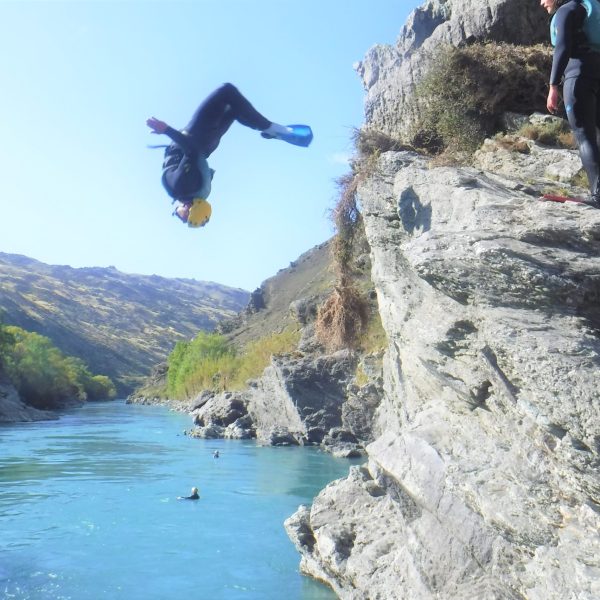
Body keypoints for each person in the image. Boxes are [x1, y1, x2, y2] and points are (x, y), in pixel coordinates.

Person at [146, 83, 308, 226]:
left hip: (209, 144)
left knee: (233, 110)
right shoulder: (178, 188)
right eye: (183, 218)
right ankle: (273, 129)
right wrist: (166, 130)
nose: (178, 215)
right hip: (197, 135)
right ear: (189, 209)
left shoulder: (201, 192)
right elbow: (192, 149)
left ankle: (271, 131)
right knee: (226, 92)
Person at [542, 0, 600, 207]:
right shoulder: (588, 10)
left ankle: (598, 195)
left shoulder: (566, 11)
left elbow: (563, 47)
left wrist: (553, 86)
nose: (542, 2)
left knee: (584, 135)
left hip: (578, 76)